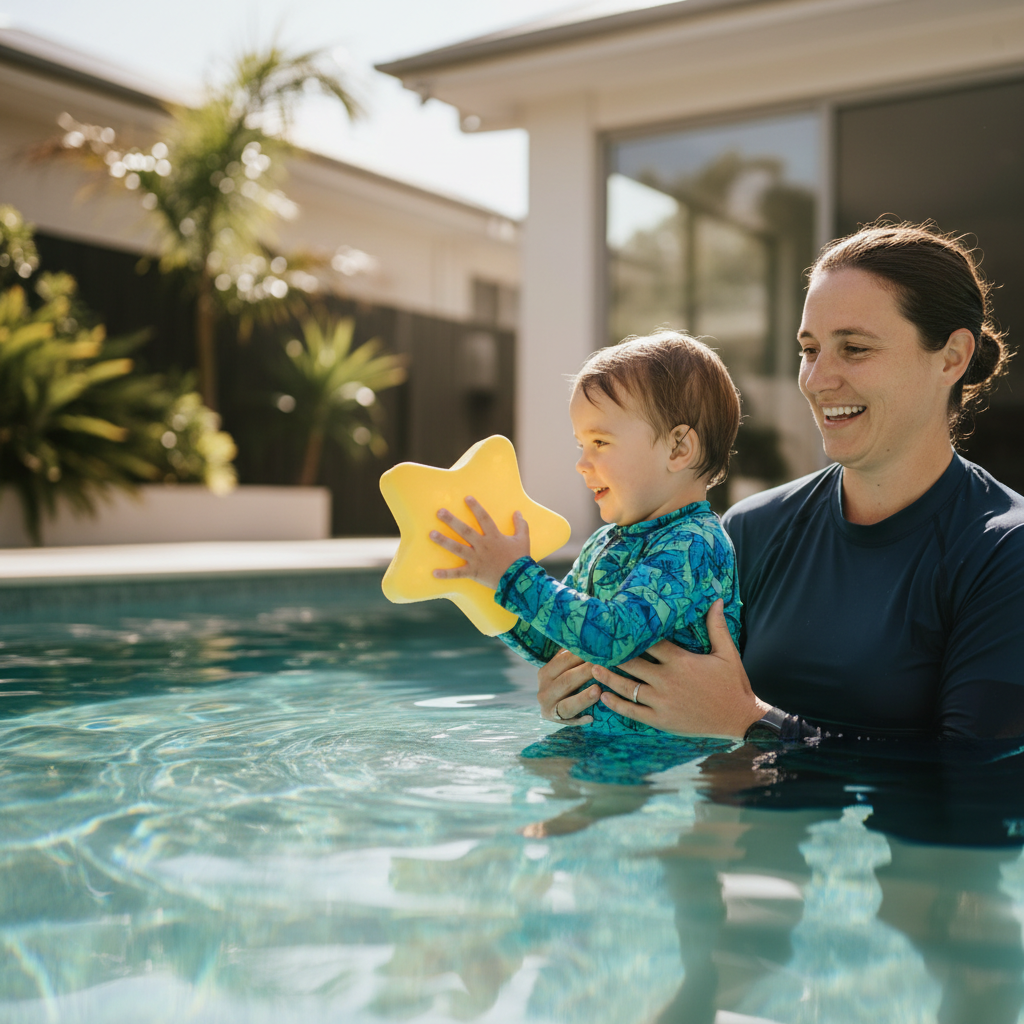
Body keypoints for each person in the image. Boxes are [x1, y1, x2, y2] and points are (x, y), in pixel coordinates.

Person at [537, 221, 1024, 742]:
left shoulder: (1004, 552)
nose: (816, 380)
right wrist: (586, 697)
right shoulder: (751, 530)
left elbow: (974, 779)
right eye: (810, 349)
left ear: (952, 356)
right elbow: (677, 712)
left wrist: (751, 724)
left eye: (854, 348)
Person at [428, 331, 742, 734]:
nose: (582, 463)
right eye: (580, 443)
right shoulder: (604, 542)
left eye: (599, 441)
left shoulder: (695, 545)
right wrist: (485, 586)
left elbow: (612, 635)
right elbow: (555, 645)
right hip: (604, 743)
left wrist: (517, 576)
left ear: (678, 449)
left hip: (662, 755)